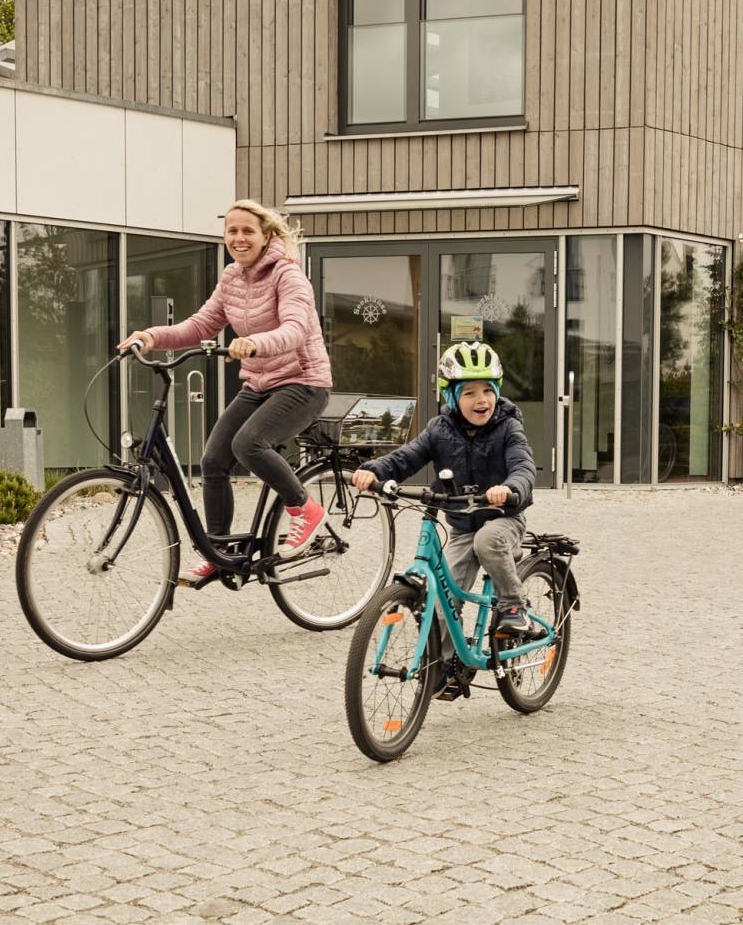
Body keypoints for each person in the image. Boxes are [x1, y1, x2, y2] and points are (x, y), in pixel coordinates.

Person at [117, 200, 333, 582]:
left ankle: (303, 507)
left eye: (247, 230)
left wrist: (255, 343)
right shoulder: (232, 278)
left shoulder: (289, 276)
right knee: (213, 459)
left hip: (302, 380)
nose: (238, 238)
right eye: (231, 231)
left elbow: (296, 328)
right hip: (260, 382)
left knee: (248, 444)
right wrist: (151, 336)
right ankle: (220, 552)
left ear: (266, 236)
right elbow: (201, 325)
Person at [351, 341, 539, 638]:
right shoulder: (439, 429)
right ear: (451, 396)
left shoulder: (508, 428)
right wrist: (373, 471)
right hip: (463, 526)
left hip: (503, 518)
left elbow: (523, 466)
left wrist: (509, 487)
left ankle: (514, 606)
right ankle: (446, 673)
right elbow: (406, 457)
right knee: (439, 603)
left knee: (488, 540)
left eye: (488, 390)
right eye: (470, 392)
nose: (482, 400)